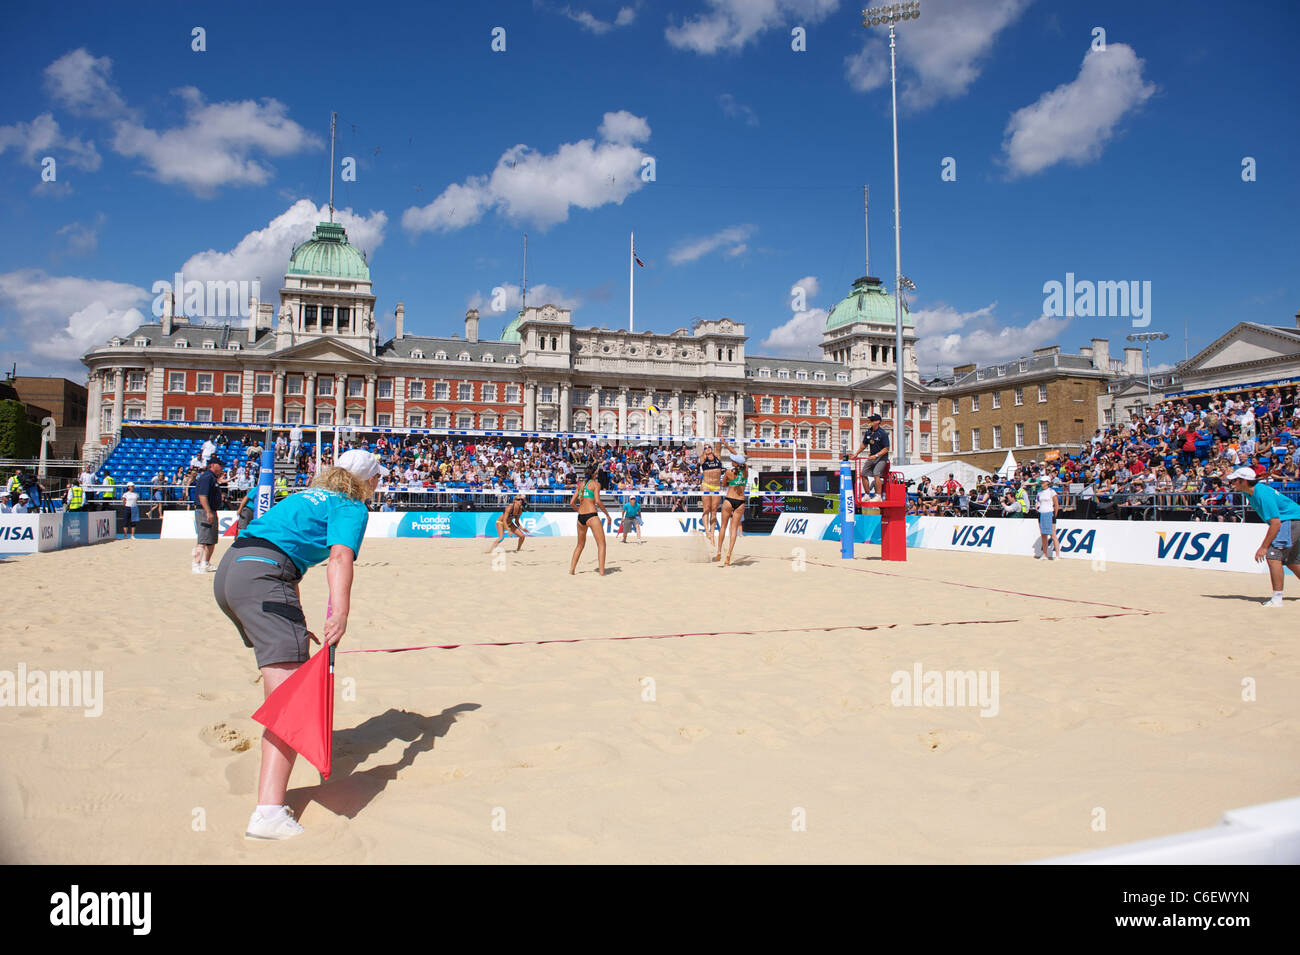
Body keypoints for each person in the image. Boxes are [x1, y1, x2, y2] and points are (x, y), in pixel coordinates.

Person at [214, 448, 385, 840]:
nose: (379, 484)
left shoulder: (306, 496)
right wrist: (340, 613)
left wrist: (296, 620)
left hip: (231, 574)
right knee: (291, 700)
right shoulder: (352, 505)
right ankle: (268, 813)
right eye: (377, 477)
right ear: (366, 480)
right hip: (262, 578)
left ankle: (270, 802)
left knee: (287, 679)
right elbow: (340, 558)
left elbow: (282, 550)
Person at [1228, 466, 1300, 607]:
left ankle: (1277, 599)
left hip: (1291, 521)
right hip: (1294, 519)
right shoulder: (1249, 491)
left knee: (1273, 557)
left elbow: (1275, 523)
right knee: (1292, 561)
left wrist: (1264, 547)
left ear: (1243, 481)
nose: (1232, 483)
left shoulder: (1262, 494)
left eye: (1234, 480)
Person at [569, 465, 611, 576]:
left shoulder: (581, 485)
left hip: (580, 517)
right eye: (596, 472)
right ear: (593, 474)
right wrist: (607, 514)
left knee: (580, 545)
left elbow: (571, 503)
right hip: (591, 515)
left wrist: (579, 510)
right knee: (601, 544)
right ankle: (601, 572)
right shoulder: (596, 484)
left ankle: (572, 570)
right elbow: (597, 501)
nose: (597, 473)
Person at [714, 447, 748, 566]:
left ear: (735, 463)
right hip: (740, 501)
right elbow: (741, 460)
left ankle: (718, 551)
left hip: (729, 500)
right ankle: (728, 554)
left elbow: (723, 485)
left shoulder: (728, 472)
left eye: (733, 460)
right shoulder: (745, 471)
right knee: (734, 529)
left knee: (723, 526)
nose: (731, 461)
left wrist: (730, 482)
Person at [193, 457, 225, 574]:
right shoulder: (207, 477)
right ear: (213, 465)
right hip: (204, 511)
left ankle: (205, 563)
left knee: (211, 539)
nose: (221, 467)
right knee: (203, 539)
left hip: (211, 510)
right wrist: (208, 511)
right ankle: (196, 564)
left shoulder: (212, 478)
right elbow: (202, 496)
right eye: (219, 465)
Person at [855, 414, 890, 499]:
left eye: (872, 420)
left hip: (882, 458)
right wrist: (856, 454)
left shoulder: (883, 433)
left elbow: (886, 449)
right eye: (870, 420)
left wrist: (876, 455)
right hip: (872, 457)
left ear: (878, 422)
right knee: (863, 474)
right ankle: (867, 494)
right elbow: (864, 445)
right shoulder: (868, 432)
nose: (870, 422)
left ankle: (878, 495)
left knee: (876, 473)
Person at [698, 441, 724, 548]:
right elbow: (698, 446)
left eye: (709, 447)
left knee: (714, 510)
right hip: (706, 485)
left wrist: (719, 427)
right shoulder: (703, 459)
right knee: (707, 508)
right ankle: (707, 531)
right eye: (706, 448)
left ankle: (712, 535)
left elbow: (718, 443)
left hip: (717, 486)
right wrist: (695, 433)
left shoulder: (717, 456)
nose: (707, 448)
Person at [1036, 481, 1060, 560]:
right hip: (1041, 513)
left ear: (1047, 483)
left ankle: (1057, 555)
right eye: (1041, 482)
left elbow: (1056, 505)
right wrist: (1037, 507)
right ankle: (1045, 554)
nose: (1041, 484)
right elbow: (1038, 502)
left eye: (1043, 482)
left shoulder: (1052, 492)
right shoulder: (1039, 492)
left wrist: (1054, 515)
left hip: (1049, 513)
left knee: (1053, 535)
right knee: (1043, 535)